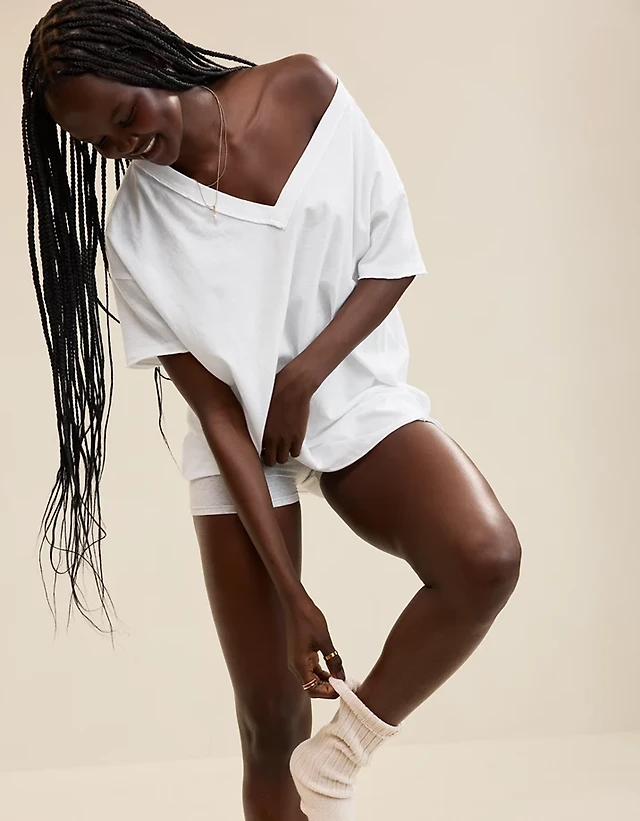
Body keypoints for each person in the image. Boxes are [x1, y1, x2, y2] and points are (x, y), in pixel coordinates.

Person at [22, 1, 522, 819]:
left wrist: (302, 377)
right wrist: (294, 596)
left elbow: (391, 256)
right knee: (271, 725)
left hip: (351, 395)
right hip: (240, 454)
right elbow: (219, 415)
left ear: (145, 60)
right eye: (99, 143)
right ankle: (302, 770)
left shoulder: (303, 91)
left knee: (486, 557)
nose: (123, 144)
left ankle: (341, 758)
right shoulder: (135, 233)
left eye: (124, 114)